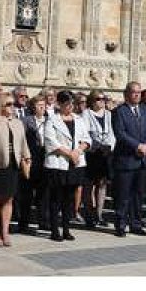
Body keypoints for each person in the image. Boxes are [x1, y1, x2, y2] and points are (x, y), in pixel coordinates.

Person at [0, 92, 30, 247]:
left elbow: (23, 143)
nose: (12, 107)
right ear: (0, 105)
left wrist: (27, 158)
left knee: (9, 199)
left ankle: (5, 231)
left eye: (13, 104)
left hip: (13, 164)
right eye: (8, 104)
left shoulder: (18, 123)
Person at [44, 90, 90, 241]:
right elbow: (51, 141)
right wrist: (69, 153)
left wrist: (78, 151)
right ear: (60, 104)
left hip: (75, 163)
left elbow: (86, 138)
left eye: (72, 104)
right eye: (67, 104)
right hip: (58, 163)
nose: (70, 107)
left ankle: (66, 228)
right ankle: (54, 229)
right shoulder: (52, 120)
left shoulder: (79, 119)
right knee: (56, 197)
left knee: (69, 198)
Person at [111, 82, 146, 238]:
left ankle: (136, 224)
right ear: (126, 94)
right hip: (126, 159)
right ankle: (120, 225)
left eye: (138, 92)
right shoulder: (119, 112)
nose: (136, 95)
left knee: (138, 194)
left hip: (143, 159)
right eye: (133, 92)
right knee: (123, 195)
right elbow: (120, 133)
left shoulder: (145, 110)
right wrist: (137, 145)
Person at [18, 95, 50, 234]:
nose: (42, 107)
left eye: (44, 104)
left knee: (44, 193)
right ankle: (23, 222)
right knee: (26, 192)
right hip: (31, 158)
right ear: (33, 107)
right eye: (39, 105)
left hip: (45, 159)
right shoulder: (26, 121)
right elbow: (21, 139)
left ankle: (43, 220)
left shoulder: (50, 121)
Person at [83, 91, 114, 228]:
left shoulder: (108, 114)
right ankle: (89, 213)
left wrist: (110, 146)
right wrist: (96, 145)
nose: (101, 101)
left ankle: (99, 214)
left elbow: (112, 133)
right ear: (92, 100)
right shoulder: (86, 114)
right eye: (98, 99)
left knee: (102, 184)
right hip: (92, 152)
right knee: (90, 184)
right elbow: (85, 132)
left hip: (105, 152)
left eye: (103, 99)